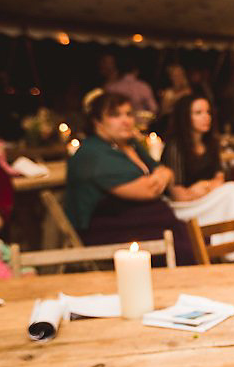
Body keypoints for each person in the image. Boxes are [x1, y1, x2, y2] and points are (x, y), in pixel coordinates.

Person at [64, 91, 195, 266]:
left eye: (128, 114)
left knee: (193, 238)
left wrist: (160, 177)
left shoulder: (129, 144)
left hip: (147, 223)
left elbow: (166, 172)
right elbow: (148, 191)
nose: (126, 120)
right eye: (115, 115)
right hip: (112, 229)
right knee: (185, 247)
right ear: (97, 122)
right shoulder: (92, 153)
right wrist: (159, 179)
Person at [163, 94, 234, 262]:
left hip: (207, 199)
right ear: (185, 117)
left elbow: (219, 178)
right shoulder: (175, 146)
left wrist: (203, 186)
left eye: (208, 112)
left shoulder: (211, 143)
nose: (206, 117)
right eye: (198, 112)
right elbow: (179, 194)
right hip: (186, 207)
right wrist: (206, 189)